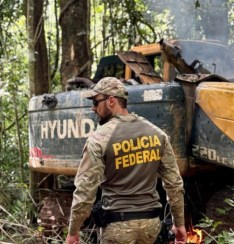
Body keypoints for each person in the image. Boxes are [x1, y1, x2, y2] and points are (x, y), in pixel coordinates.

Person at [66, 77, 187, 244]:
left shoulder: (99, 139)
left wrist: (73, 232)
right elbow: (174, 184)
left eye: (95, 101)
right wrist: (179, 224)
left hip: (117, 228)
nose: (93, 108)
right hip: (151, 226)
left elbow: (85, 190)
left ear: (111, 101)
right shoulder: (158, 134)